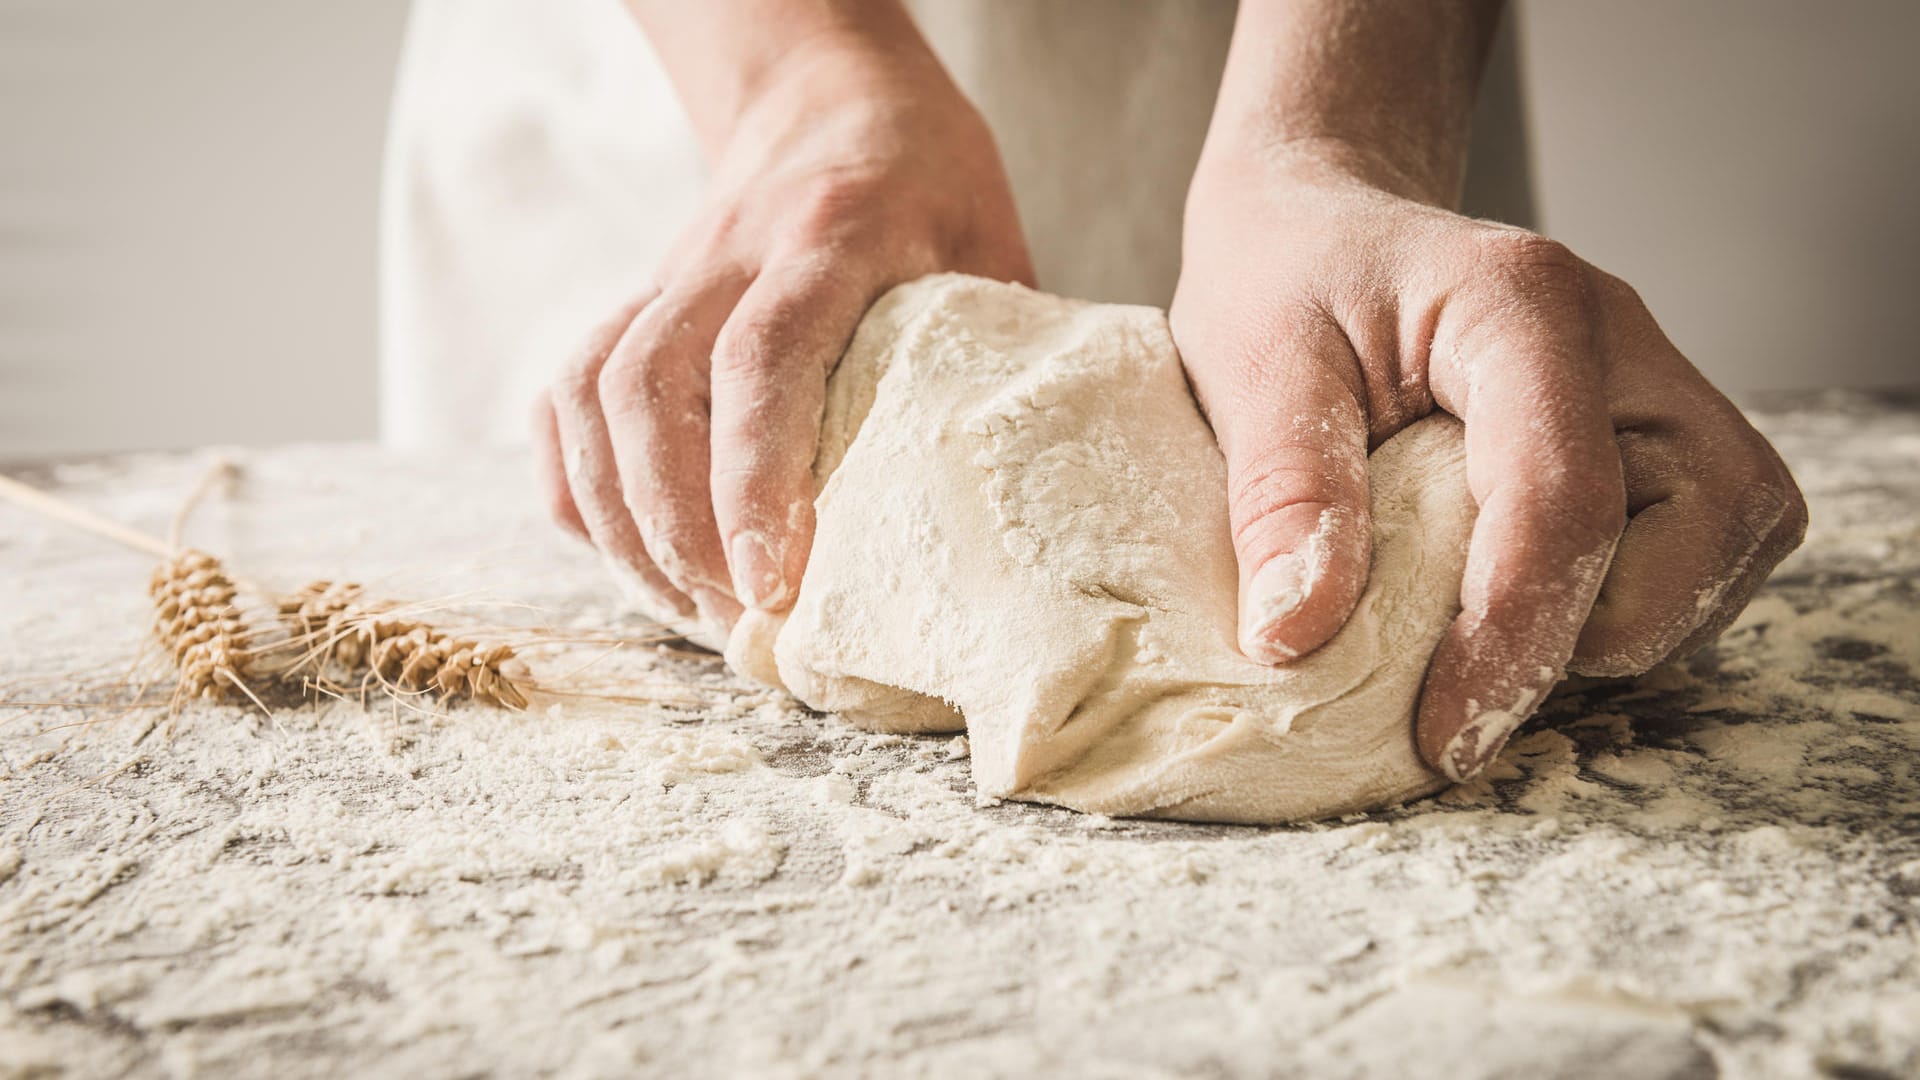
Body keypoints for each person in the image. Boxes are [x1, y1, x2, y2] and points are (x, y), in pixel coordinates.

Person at [382, 0, 1806, 784]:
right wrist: (797, 88)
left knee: (1463, 518)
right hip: (695, 85)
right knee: (739, 457)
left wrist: (1335, 132)